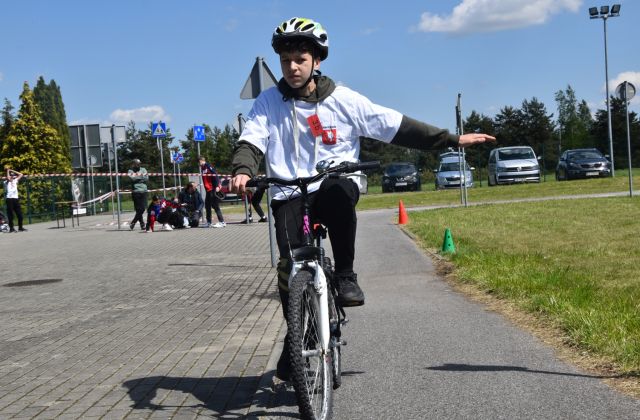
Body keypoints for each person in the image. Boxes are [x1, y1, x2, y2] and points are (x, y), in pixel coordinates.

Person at [230, 17, 495, 380]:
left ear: (316, 61)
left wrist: (451, 139)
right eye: (286, 60)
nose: (292, 67)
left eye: (300, 60)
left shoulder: (344, 100)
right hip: (289, 189)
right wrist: (243, 169)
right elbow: (251, 141)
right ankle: (297, 337)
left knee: (338, 194)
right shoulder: (268, 103)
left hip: (333, 181)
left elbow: (396, 125)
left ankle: (345, 275)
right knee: (289, 268)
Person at [199, 156, 226, 228]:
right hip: (208, 190)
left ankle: (222, 222)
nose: (198, 164)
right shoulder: (202, 168)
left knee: (215, 205)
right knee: (207, 206)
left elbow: (215, 175)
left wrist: (217, 185)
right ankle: (209, 222)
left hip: (212, 188)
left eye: (199, 162)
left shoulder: (208, 166)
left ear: (202, 160)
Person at [3, 167, 27, 233]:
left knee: (20, 215)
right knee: (10, 215)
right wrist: (8, 171)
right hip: (9, 199)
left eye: (13, 175)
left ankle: (20, 227)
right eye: (11, 175)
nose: (12, 176)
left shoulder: (15, 180)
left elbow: (21, 174)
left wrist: (12, 170)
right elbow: (8, 178)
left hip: (16, 199)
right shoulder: (6, 181)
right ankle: (11, 228)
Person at [127, 159, 148, 231]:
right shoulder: (130, 171)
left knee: (142, 209)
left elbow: (146, 178)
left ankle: (133, 222)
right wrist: (141, 176)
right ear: (134, 164)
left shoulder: (143, 169)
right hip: (136, 191)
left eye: (139, 164)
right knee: (139, 209)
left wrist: (137, 177)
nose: (139, 165)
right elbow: (133, 179)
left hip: (144, 191)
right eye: (137, 164)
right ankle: (142, 224)